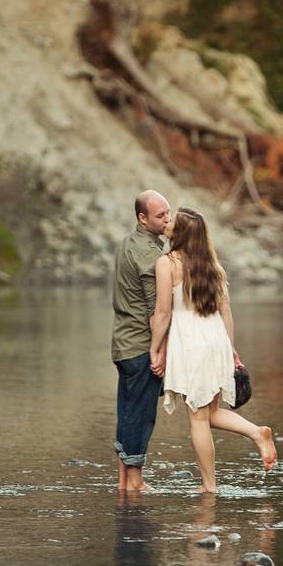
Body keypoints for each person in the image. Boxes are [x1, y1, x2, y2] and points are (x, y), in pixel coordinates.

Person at [149, 207, 277, 493]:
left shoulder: (167, 263)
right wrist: (231, 351)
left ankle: (209, 486)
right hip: (216, 339)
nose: (167, 222)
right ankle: (257, 432)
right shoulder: (213, 267)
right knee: (210, 413)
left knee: (197, 418)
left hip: (191, 343)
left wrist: (155, 348)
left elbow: (162, 313)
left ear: (180, 233)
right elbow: (226, 312)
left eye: (172, 221)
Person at [110, 189, 171, 491]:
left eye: (168, 213)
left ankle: (123, 480)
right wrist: (158, 351)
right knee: (141, 413)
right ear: (142, 218)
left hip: (122, 344)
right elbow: (156, 309)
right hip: (140, 346)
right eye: (161, 216)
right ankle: (135, 482)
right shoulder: (151, 255)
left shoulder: (127, 243)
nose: (167, 220)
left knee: (127, 411)